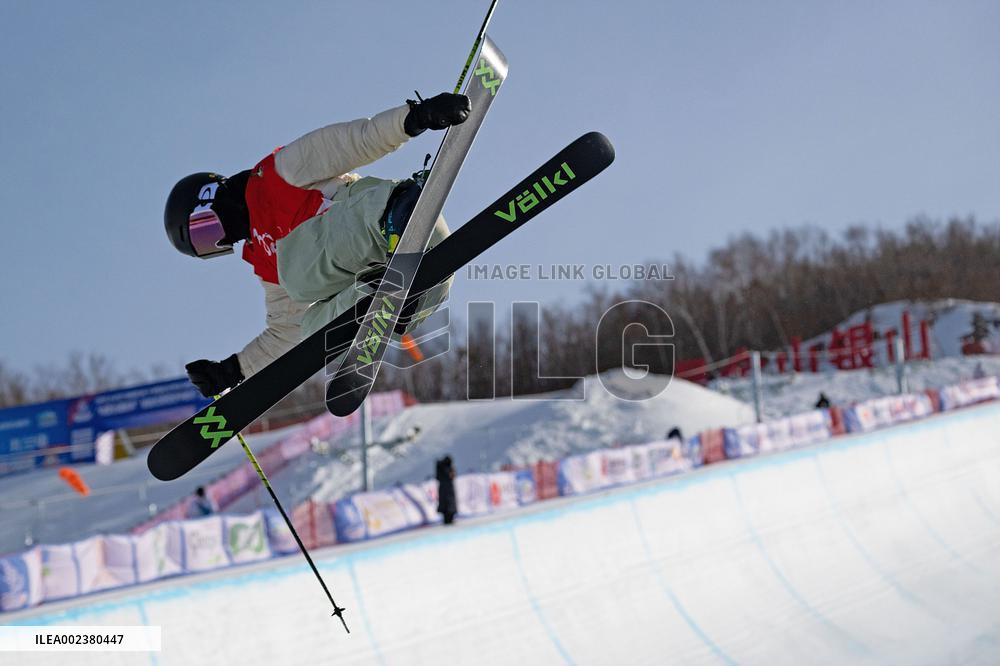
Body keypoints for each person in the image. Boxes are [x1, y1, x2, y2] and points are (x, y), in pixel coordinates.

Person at [164, 93, 471, 397]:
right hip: (419, 272)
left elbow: (357, 140)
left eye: (206, 231)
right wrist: (233, 370)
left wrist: (416, 117)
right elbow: (286, 332)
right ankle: (377, 298)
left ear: (212, 196)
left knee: (294, 277)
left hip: (391, 217)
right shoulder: (264, 259)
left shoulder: (277, 175)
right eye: (209, 248)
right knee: (310, 335)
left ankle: (393, 219)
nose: (222, 240)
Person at [435, 455, 457, 525]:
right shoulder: (445, 468)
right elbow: (451, 476)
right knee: (448, 506)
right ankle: (448, 520)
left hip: (444, 490)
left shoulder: (441, 468)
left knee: (447, 506)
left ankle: (448, 519)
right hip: (447, 490)